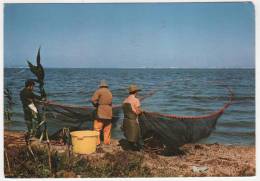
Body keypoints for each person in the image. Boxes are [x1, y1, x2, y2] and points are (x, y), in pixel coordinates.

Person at [122, 84, 144, 151]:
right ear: (136, 92)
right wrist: (142, 110)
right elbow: (137, 112)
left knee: (129, 136)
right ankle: (139, 150)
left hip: (125, 121)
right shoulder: (136, 100)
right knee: (138, 137)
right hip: (133, 121)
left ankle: (130, 148)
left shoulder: (125, 100)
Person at [91, 80, 113, 145]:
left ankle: (97, 142)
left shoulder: (99, 91)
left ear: (100, 86)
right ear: (106, 86)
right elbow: (111, 102)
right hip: (109, 112)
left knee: (97, 128)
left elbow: (93, 100)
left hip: (101, 111)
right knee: (107, 128)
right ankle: (107, 142)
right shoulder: (109, 92)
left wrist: (96, 105)